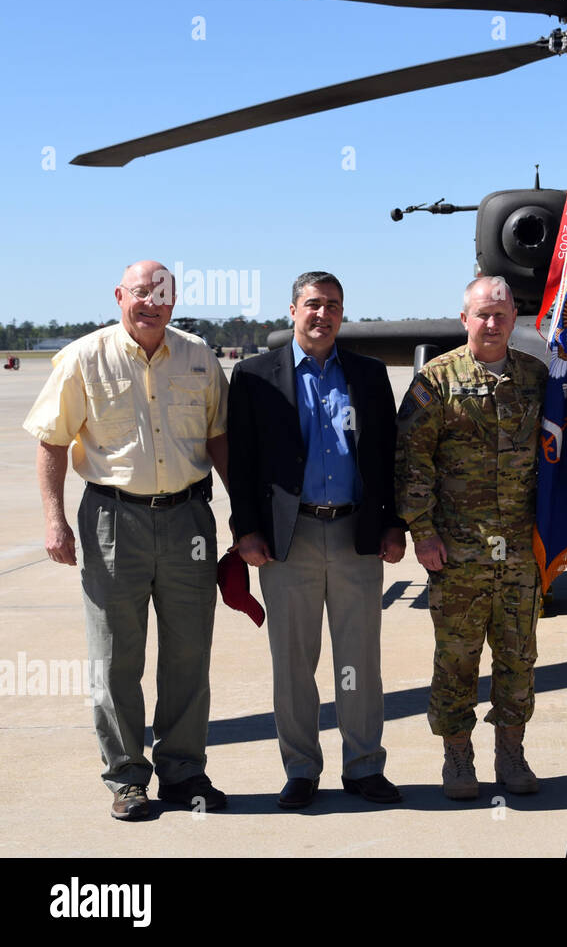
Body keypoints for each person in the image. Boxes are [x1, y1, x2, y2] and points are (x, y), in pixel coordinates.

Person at [24, 260, 230, 821]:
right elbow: (51, 442)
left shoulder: (198, 356)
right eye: (141, 293)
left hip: (189, 521)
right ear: (120, 296)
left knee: (189, 653)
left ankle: (183, 771)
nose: (151, 304)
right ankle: (126, 777)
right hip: (113, 520)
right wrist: (54, 520)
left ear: (174, 302)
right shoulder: (83, 358)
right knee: (115, 657)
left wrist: (246, 513)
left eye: (162, 295)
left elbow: (219, 437)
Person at [227, 271, 406, 810]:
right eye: (313, 304)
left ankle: (364, 765)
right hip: (289, 538)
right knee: (292, 663)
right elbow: (241, 460)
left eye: (332, 305)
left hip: (356, 534)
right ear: (292, 310)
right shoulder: (255, 376)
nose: (322, 314)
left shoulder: (369, 375)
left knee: (360, 660)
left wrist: (394, 524)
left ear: (342, 314)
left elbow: (388, 455)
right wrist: (245, 530)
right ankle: (301, 769)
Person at [395, 276, 547, 800]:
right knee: (456, 659)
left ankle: (512, 753)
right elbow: (411, 461)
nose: (492, 323)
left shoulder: (535, 378)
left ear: (514, 319)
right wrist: (423, 533)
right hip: (458, 551)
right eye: (482, 314)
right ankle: (457, 756)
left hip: (521, 551)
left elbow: (559, 454)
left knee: (518, 658)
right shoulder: (436, 380)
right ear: (465, 319)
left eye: (501, 314)